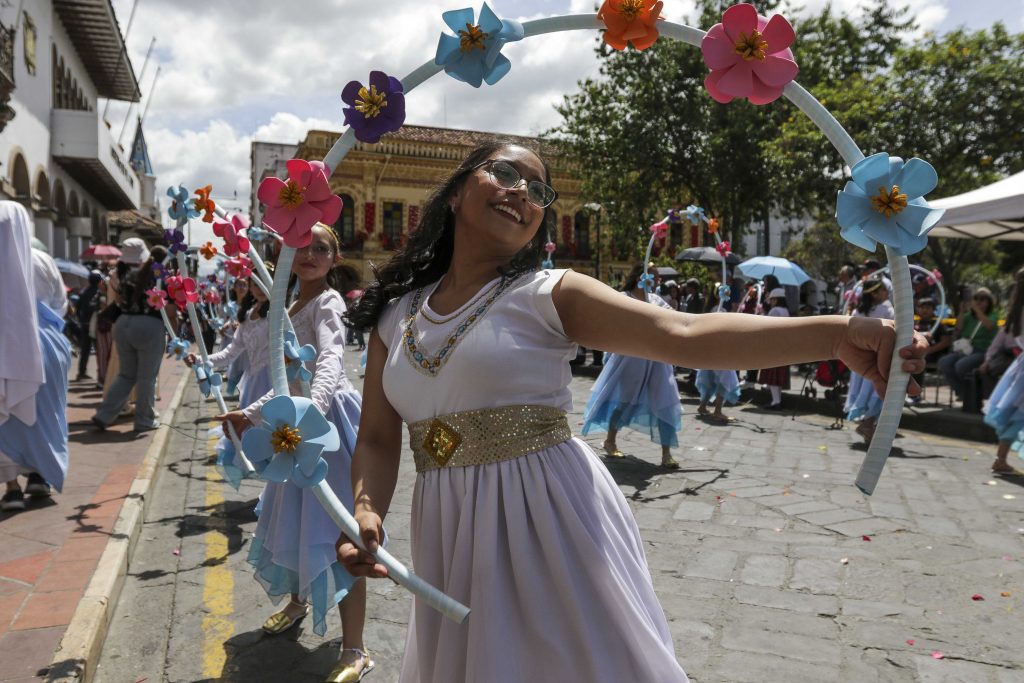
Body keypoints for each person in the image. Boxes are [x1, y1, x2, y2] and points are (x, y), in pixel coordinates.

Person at [333, 142, 926, 683]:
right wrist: (365, 512)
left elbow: (684, 333)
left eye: (539, 192)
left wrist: (840, 333)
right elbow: (380, 439)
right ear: (459, 190)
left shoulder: (550, 294)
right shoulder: (396, 314)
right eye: (505, 173)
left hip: (548, 520)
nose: (522, 193)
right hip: (448, 525)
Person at [216, 225, 371, 682]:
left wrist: (311, 414)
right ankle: (299, 602)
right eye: (300, 245)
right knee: (296, 519)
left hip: (328, 429)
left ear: (334, 258)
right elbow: (285, 379)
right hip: (296, 429)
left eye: (320, 247)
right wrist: (253, 412)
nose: (309, 254)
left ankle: (356, 647)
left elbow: (329, 360)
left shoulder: (328, 302)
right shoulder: (285, 308)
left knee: (344, 534)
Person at [0, 202, 71, 510]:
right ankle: (40, 476)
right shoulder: (42, 259)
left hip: (4, 347)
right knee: (47, 413)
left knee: (5, 418)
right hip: (47, 344)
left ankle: (12, 488)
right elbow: (60, 303)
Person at [581, 264, 682, 469]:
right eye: (654, 276)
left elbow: (673, 319)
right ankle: (610, 441)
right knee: (625, 401)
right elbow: (612, 322)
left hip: (657, 359)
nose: (657, 280)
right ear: (640, 276)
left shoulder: (656, 300)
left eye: (658, 277)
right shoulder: (624, 297)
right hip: (631, 357)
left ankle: (666, 453)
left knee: (666, 398)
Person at [188, 272, 273, 488]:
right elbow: (231, 352)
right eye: (254, 284)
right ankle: (272, 495)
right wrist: (201, 360)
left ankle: (278, 495)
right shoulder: (248, 314)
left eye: (263, 283)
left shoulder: (279, 313)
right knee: (253, 442)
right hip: (253, 384)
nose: (259, 288)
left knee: (277, 440)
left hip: (275, 384)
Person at [91, 243, 176, 432]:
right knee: (147, 377)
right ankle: (144, 420)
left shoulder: (130, 275)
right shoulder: (163, 278)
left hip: (123, 325)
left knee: (126, 374)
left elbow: (120, 301)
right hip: (149, 326)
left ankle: (104, 414)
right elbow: (169, 310)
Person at [983, 268, 1024, 474]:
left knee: (1015, 414)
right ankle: (1000, 458)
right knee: (1018, 415)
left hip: (1020, 367)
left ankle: (1001, 457)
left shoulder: (1016, 309)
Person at [845, 277, 895, 442]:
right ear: (874, 293)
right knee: (878, 391)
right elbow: (895, 330)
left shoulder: (857, 311)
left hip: (860, 359)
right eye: (883, 290)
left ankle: (868, 426)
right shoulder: (886, 310)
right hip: (878, 359)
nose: (886, 293)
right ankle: (868, 424)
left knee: (866, 390)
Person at [939, 286, 998, 399]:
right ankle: (963, 393)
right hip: (965, 350)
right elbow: (958, 328)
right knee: (944, 362)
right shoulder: (968, 317)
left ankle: (971, 394)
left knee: (961, 365)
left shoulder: (993, 316)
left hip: (982, 351)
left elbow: (989, 325)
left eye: (983, 299)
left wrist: (976, 309)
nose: (979, 301)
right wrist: (961, 311)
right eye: (976, 298)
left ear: (989, 301)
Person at [908, 297, 952, 403]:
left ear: (933, 309)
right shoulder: (915, 323)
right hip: (916, 353)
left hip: (933, 355)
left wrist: (930, 349)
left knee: (917, 360)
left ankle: (915, 395)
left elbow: (945, 341)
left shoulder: (938, 324)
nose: (924, 310)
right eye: (922, 307)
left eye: (928, 308)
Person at [758, 287, 791, 409]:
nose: (770, 302)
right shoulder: (786, 310)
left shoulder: (774, 311)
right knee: (778, 376)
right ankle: (778, 400)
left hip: (774, 346)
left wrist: (761, 314)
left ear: (776, 300)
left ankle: (775, 402)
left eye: (772, 299)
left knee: (772, 376)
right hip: (784, 346)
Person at [74, 271, 103, 381]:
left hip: (84, 324)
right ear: (100, 281)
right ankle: (101, 373)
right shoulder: (100, 293)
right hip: (96, 325)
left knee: (85, 350)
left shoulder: (84, 292)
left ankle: (81, 373)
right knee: (100, 350)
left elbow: (77, 309)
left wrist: (80, 320)